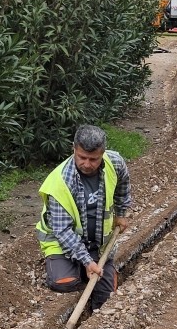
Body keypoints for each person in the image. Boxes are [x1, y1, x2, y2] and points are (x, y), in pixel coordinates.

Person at [38, 124, 132, 314]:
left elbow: (123, 185)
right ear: (74, 149)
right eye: (82, 157)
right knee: (63, 283)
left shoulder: (115, 163)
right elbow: (63, 231)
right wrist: (87, 261)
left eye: (93, 159)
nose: (87, 164)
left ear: (102, 153)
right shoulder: (59, 183)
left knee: (106, 297)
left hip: (96, 242)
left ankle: (96, 271)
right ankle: (76, 267)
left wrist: (121, 213)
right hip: (61, 242)